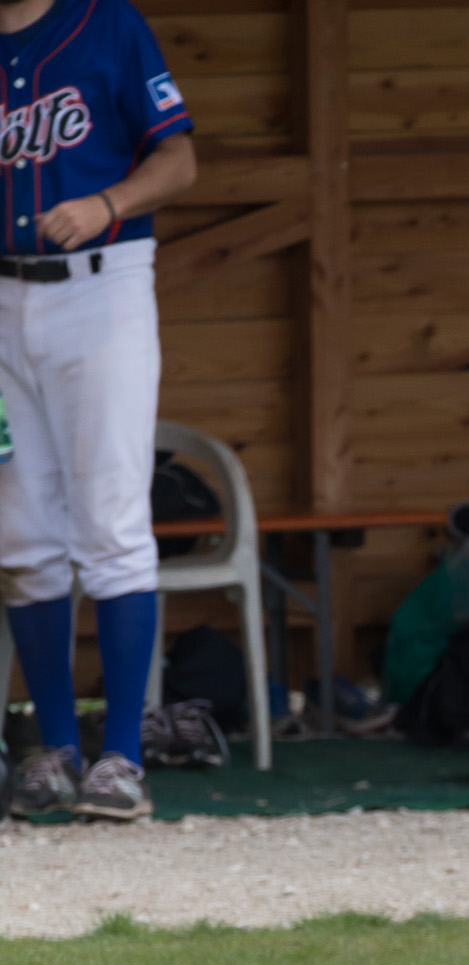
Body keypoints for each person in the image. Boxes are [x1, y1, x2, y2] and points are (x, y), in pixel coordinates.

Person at [0, 0, 195, 825]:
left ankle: (121, 758)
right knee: (21, 535)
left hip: (100, 284)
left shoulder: (107, 22)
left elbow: (179, 159)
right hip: (3, 299)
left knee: (111, 522)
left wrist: (109, 201)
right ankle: (55, 751)